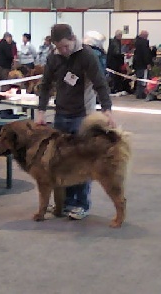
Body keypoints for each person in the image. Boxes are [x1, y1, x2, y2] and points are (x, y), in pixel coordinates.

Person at [36, 23, 115, 220]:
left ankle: (81, 204)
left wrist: (107, 110)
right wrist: (40, 111)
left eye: (65, 46)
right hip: (60, 115)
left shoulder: (87, 55)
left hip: (82, 116)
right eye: (58, 47)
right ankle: (65, 203)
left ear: (73, 39)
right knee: (61, 162)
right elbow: (45, 86)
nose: (63, 51)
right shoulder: (54, 57)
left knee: (82, 162)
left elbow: (100, 84)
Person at [133, 30, 155, 99]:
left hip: (137, 64)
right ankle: (142, 94)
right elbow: (146, 54)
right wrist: (148, 63)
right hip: (143, 64)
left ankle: (138, 94)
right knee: (144, 79)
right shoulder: (144, 42)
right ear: (144, 36)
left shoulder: (136, 41)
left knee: (139, 79)